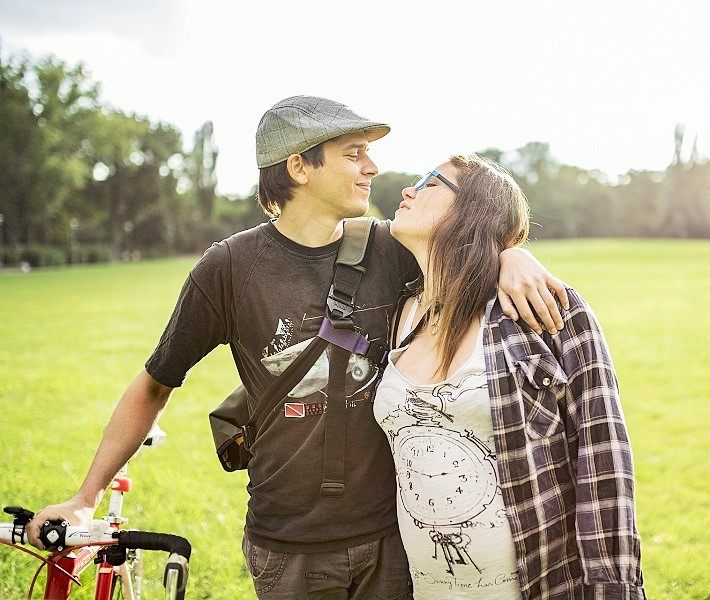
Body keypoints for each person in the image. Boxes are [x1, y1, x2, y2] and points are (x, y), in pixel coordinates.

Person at [26, 97, 568, 599]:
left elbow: (465, 242)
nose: (371, 168)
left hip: (395, 537)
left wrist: (510, 253)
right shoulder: (228, 269)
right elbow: (154, 385)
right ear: (298, 167)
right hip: (287, 545)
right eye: (353, 154)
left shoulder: (390, 248)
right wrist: (86, 497)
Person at [375, 154, 646, 599]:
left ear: (473, 211)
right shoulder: (397, 314)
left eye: (431, 182)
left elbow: (603, 458)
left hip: (540, 584)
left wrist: (611, 590)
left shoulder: (545, 309)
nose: (409, 190)